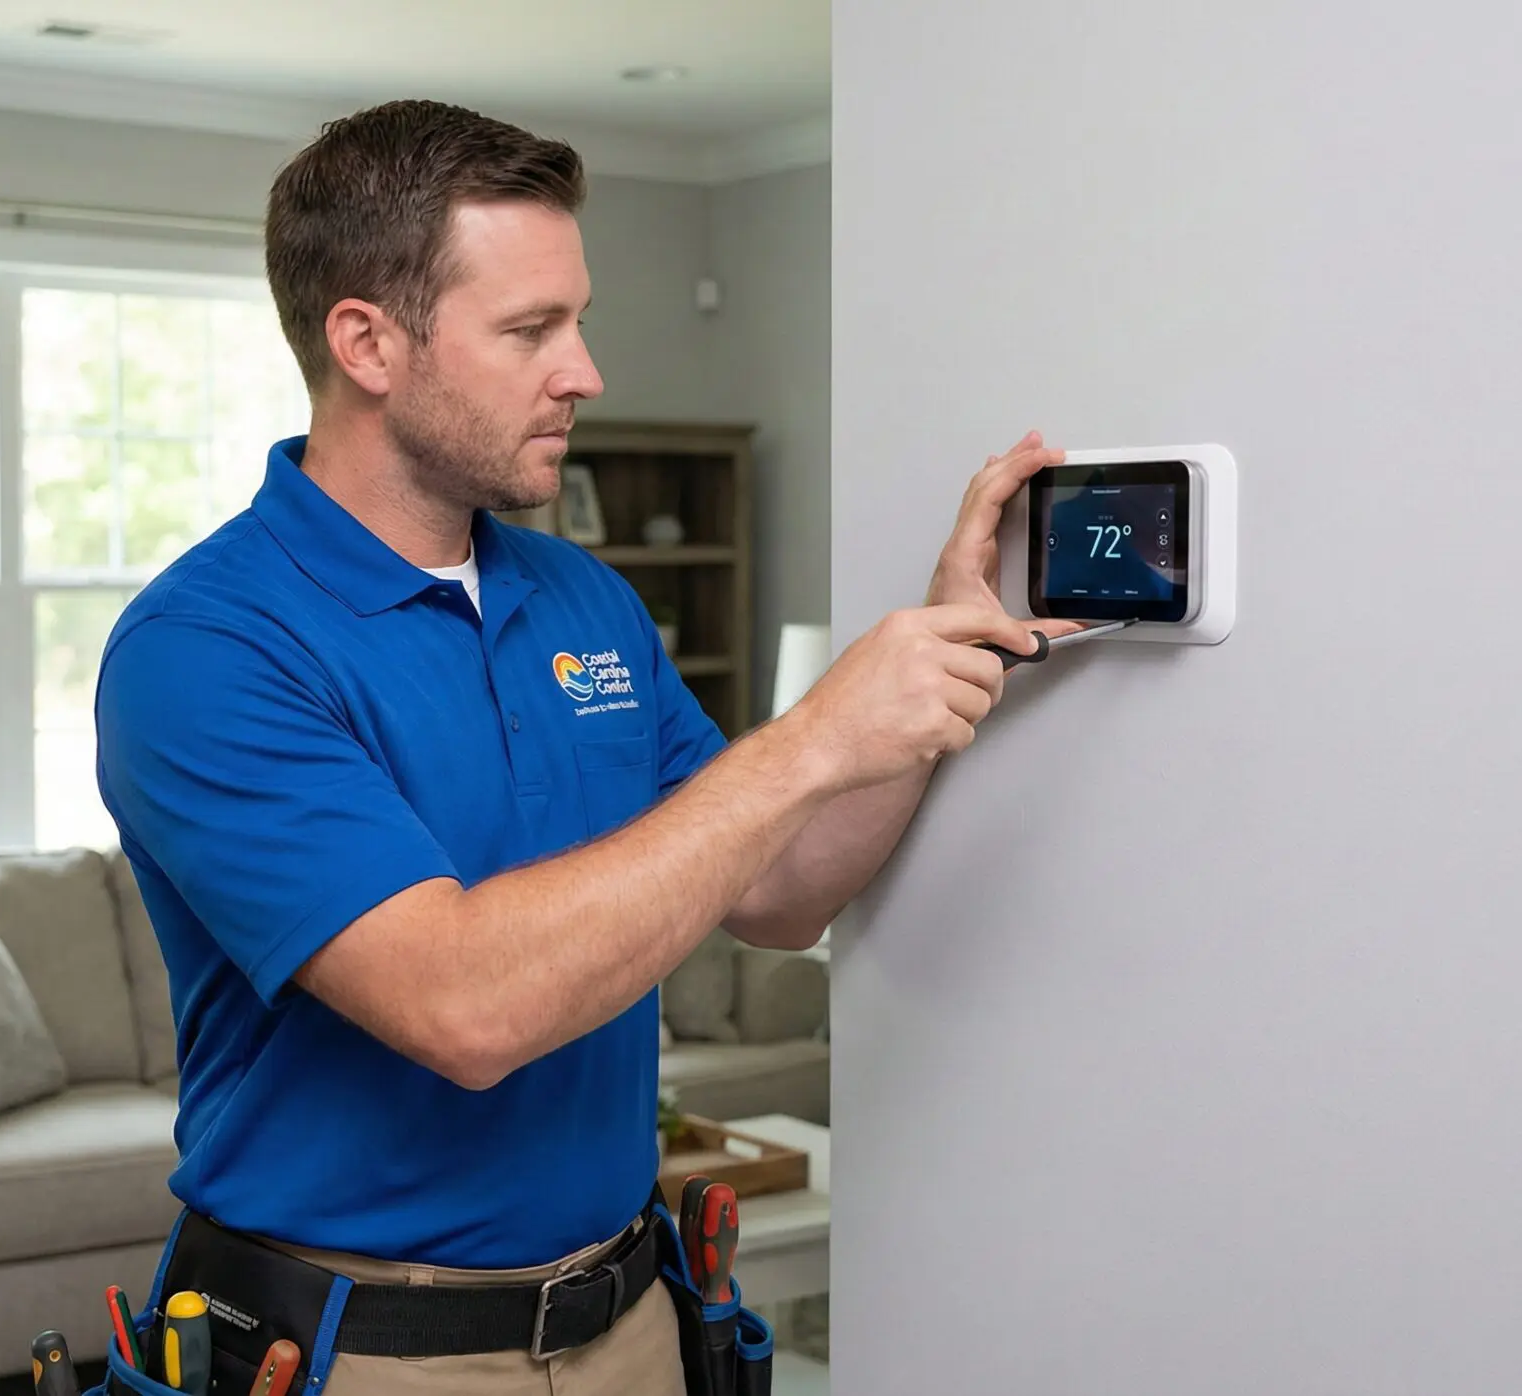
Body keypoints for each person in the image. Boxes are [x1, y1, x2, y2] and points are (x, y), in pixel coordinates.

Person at [92, 98, 1079, 1396]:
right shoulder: (208, 647)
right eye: (530, 330)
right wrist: (807, 739)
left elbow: (781, 893)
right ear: (367, 343)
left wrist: (937, 667)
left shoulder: (582, 600)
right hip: (363, 1353)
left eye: (579, 318)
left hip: (633, 1324)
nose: (585, 370)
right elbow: (466, 1006)